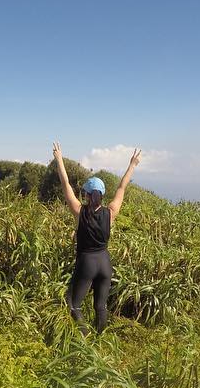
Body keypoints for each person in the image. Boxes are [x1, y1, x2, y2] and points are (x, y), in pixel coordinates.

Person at [51, 142, 142, 333]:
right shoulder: (111, 212)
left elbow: (65, 184)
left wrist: (59, 159)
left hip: (87, 262)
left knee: (74, 304)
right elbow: (122, 188)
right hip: (105, 262)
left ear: (85, 195)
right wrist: (132, 165)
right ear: (101, 195)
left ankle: (84, 337)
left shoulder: (79, 211)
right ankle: (100, 338)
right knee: (100, 306)